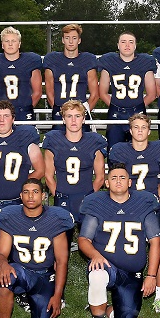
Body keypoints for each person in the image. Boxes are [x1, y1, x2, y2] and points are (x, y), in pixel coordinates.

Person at [78, 163, 160, 318]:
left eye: (122, 178)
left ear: (130, 182)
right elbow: (84, 239)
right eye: (114, 178)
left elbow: (155, 241)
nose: (118, 181)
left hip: (132, 273)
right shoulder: (97, 204)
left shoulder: (143, 204)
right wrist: (95, 255)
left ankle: (103, 308)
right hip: (106, 265)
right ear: (106, 183)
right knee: (97, 274)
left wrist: (151, 275)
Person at [0, 178, 73, 318]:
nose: (30, 196)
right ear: (21, 196)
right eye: (26, 192)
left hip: (44, 276)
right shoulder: (11, 217)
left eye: (35, 192)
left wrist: (57, 295)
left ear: (43, 196)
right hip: (20, 271)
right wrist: (3, 264)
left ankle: (32, 300)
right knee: (5, 279)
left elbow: (61, 261)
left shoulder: (56, 219)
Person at [108, 113, 160, 312]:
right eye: (136, 127)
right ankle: (121, 287)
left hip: (150, 208)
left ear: (149, 131)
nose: (140, 131)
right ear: (130, 130)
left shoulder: (158, 150)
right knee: (122, 248)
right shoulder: (120, 151)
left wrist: (155, 202)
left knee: (157, 250)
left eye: (143, 127)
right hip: (127, 207)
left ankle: (159, 295)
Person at [42, 100, 106, 236]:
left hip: (86, 196)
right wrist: (58, 195)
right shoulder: (54, 141)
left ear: (83, 119)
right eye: (69, 116)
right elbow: (48, 176)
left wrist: (89, 197)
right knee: (61, 242)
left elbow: (100, 177)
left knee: (89, 240)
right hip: (63, 197)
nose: (73, 120)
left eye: (77, 116)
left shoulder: (94, 142)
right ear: (63, 119)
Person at [98, 31, 157, 150]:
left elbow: (152, 94)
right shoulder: (109, 61)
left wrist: (136, 107)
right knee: (113, 150)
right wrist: (117, 107)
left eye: (131, 42)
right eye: (123, 42)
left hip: (137, 111)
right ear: (118, 45)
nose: (127, 45)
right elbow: (102, 92)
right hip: (116, 112)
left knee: (138, 149)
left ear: (135, 45)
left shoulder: (145, 62)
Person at [43, 24, 99, 130]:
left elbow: (95, 94)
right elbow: (49, 93)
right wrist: (61, 112)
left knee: (84, 139)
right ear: (63, 40)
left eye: (74, 38)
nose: (71, 41)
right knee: (58, 139)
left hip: (80, 109)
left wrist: (82, 112)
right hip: (60, 109)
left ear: (79, 40)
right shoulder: (52, 60)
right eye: (67, 38)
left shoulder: (88, 60)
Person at [0, 26, 43, 121]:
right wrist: (2, 110)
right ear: (2, 45)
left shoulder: (30, 61)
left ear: (19, 44)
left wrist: (27, 107)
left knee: (26, 130)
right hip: (2, 112)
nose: (10, 44)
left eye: (13, 41)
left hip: (24, 111)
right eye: (7, 41)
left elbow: (38, 92)